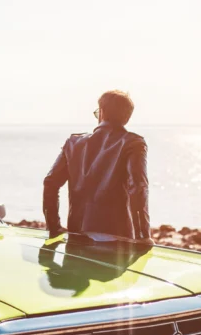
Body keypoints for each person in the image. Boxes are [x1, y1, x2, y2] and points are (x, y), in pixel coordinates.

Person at [42, 90, 152, 244]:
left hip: (77, 233)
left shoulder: (74, 143)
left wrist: (54, 227)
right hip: (117, 235)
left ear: (102, 112)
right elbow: (138, 187)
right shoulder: (134, 143)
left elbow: (50, 182)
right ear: (126, 118)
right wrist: (143, 236)